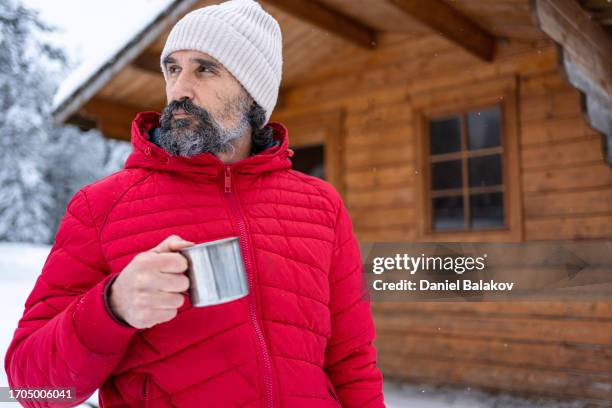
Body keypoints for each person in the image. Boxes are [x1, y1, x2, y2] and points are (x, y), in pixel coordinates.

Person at [4, 0, 385, 406]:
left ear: (252, 93)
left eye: (204, 68)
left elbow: (352, 361)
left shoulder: (321, 206)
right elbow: (32, 387)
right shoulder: (101, 206)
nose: (179, 90)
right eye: (173, 69)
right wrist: (111, 307)